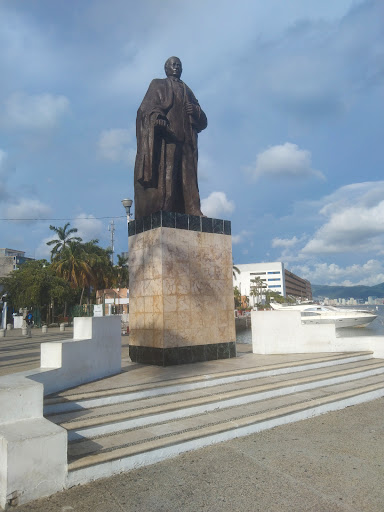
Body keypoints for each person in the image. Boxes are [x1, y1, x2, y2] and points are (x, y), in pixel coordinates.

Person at [134, 56, 207, 219]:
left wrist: (196, 111)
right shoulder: (158, 84)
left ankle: (193, 209)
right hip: (168, 139)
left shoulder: (188, 90)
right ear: (166, 69)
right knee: (167, 177)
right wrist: (157, 116)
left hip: (187, 142)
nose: (176, 67)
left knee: (189, 179)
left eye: (179, 65)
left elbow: (203, 122)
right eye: (173, 65)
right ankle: (165, 208)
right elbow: (145, 109)